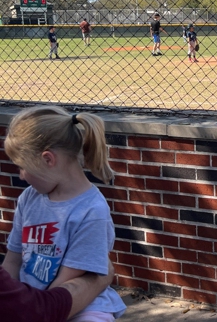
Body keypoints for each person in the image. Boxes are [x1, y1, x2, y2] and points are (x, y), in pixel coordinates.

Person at [2, 106, 127, 321]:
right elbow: (12, 261)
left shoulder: (91, 210)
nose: (21, 176)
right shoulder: (28, 199)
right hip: (35, 301)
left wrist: (33, 308)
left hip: (81, 304)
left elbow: (69, 280)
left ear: (48, 159)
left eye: (22, 167)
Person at [0, 261, 114, 322]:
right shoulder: (24, 216)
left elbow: (77, 267)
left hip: (83, 307)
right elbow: (13, 261)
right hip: (44, 304)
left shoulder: (91, 217)